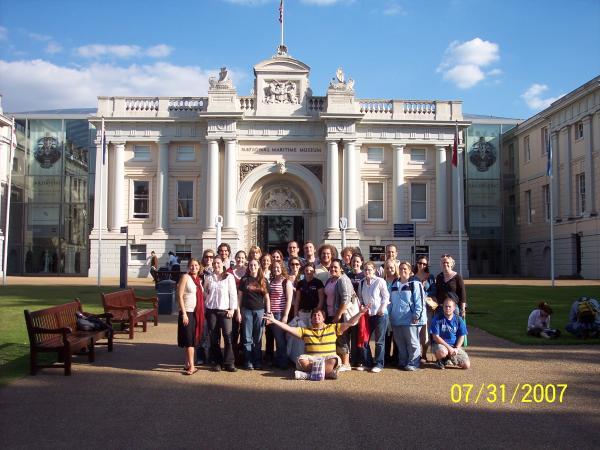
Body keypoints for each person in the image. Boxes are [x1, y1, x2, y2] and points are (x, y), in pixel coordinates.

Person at [265, 305, 370, 380]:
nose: (316, 317)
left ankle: (309, 375)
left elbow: (350, 323)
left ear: (324, 318)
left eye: (319, 315)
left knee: (333, 360)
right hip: (312, 358)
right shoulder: (305, 331)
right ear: (311, 319)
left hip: (327, 357)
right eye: (314, 316)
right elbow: (288, 328)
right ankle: (325, 373)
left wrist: (360, 313)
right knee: (301, 360)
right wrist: (274, 320)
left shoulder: (333, 328)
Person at [388, 261, 426, 371]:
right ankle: (403, 361)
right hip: (396, 319)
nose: (402, 271)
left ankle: (413, 362)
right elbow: (390, 301)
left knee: (413, 342)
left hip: (410, 319)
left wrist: (417, 315)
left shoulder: (415, 283)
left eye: (405, 269)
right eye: (400, 269)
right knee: (400, 343)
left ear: (410, 271)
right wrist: (389, 316)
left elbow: (420, 301)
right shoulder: (395, 283)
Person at [204, 256, 237, 372]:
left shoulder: (229, 277)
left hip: (225, 311)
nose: (216, 265)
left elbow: (233, 294)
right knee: (214, 337)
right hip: (211, 310)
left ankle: (229, 362)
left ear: (222, 263)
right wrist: (205, 305)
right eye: (214, 263)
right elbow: (205, 292)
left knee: (228, 336)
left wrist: (232, 309)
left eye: (218, 263)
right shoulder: (209, 278)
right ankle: (218, 361)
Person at [357, 261, 390, 372]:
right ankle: (368, 362)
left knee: (379, 341)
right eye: (365, 269)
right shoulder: (361, 283)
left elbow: (386, 297)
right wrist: (361, 306)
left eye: (369, 269)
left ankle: (379, 364)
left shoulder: (380, 281)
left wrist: (382, 308)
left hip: (380, 315)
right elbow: (360, 298)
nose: (367, 272)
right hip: (367, 315)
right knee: (364, 339)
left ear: (374, 270)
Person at [238, 259, 270, 370]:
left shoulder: (263, 280)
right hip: (247, 310)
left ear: (259, 266)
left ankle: (257, 361)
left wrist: (268, 312)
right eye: (251, 265)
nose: (253, 266)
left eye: (255, 265)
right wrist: (238, 311)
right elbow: (240, 297)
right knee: (247, 338)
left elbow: (267, 298)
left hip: (259, 311)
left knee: (258, 338)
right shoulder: (244, 279)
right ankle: (248, 361)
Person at [176, 258, 204, 375]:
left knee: (189, 339)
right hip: (187, 312)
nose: (194, 267)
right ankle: (192, 367)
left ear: (199, 267)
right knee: (189, 341)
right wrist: (184, 314)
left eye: (196, 265)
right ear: (188, 266)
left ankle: (187, 363)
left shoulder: (198, 280)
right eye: (192, 265)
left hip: (196, 313)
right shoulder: (185, 277)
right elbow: (179, 295)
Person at [328, 259, 355, 372]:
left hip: (341, 314)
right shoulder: (333, 280)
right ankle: (341, 361)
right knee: (338, 338)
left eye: (336, 267)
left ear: (341, 269)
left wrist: (338, 315)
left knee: (342, 338)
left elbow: (346, 299)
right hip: (333, 313)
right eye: (331, 267)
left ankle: (346, 363)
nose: (333, 269)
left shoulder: (343, 280)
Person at [430, 295, 470, 369]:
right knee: (442, 352)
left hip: (454, 346)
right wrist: (449, 348)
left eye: (449, 306)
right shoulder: (437, 318)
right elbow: (435, 337)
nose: (447, 308)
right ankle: (441, 360)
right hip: (441, 345)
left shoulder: (459, 319)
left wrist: (457, 348)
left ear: (454, 308)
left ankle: (448, 358)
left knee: (466, 365)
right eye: (446, 306)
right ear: (443, 307)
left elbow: (462, 336)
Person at [267, 261, 293, 369]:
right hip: (271, 313)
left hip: (280, 313)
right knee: (276, 338)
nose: (276, 269)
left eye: (278, 267)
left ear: (282, 268)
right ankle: (278, 359)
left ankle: (283, 362)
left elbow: (289, 300)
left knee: (280, 339)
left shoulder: (286, 282)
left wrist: (285, 315)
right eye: (274, 268)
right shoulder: (271, 281)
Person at [411, 255, 437, 361]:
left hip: (427, 308)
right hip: (415, 308)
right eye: (420, 263)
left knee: (425, 334)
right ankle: (415, 354)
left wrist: (424, 295)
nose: (422, 265)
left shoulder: (429, 277)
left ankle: (424, 354)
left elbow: (434, 290)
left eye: (424, 264)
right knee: (415, 333)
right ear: (417, 263)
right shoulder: (412, 277)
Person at [435, 254, 467, 318]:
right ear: (441, 264)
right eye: (443, 262)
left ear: (451, 264)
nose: (445, 264)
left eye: (447, 262)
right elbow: (437, 292)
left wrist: (463, 309)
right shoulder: (439, 277)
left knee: (454, 327)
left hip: (453, 309)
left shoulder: (457, 277)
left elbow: (462, 294)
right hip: (441, 308)